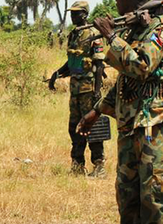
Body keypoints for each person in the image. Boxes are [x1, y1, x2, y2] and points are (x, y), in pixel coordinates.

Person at [77, 0, 163, 222]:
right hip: (130, 127)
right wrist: (96, 112)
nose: (116, 3)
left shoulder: (160, 25)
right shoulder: (133, 30)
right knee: (127, 197)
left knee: (152, 198)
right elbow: (126, 82)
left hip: (154, 126)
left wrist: (112, 38)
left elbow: (142, 67)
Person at [48, 1, 106, 178]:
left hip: (89, 89)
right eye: (72, 13)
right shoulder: (74, 34)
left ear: (85, 14)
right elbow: (72, 62)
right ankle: (77, 165)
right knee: (74, 127)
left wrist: (97, 91)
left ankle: (99, 165)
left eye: (77, 13)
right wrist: (56, 74)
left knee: (92, 126)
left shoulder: (94, 34)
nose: (73, 16)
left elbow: (99, 64)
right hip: (75, 90)